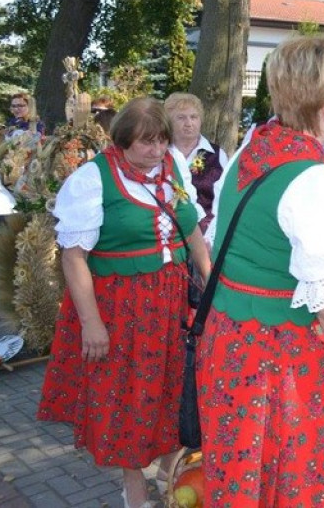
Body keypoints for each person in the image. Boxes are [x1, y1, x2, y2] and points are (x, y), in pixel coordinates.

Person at [198, 36, 324, 506]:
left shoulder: (253, 151)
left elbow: (216, 245)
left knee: (247, 478)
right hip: (282, 361)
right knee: (302, 484)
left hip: (229, 344)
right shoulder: (319, 183)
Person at [38, 97, 212, 508]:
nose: (155, 151)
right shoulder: (92, 180)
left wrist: (210, 286)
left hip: (172, 303)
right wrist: (92, 323)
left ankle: (173, 473)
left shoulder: (174, 168)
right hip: (122, 308)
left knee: (175, 387)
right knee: (127, 397)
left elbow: (192, 235)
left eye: (161, 142)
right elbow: (73, 256)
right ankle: (133, 488)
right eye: (145, 143)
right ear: (121, 141)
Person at [164, 92, 229, 231]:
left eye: (194, 117)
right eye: (181, 118)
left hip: (208, 231)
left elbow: (226, 196)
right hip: (168, 229)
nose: (189, 123)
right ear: (169, 121)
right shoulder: (161, 153)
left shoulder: (217, 154)